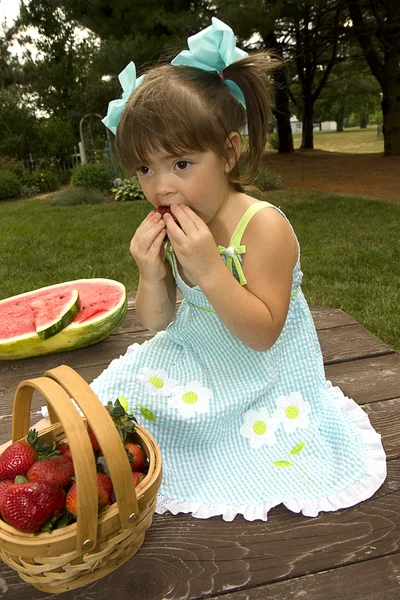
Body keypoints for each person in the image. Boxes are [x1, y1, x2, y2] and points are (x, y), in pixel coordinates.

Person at [42, 18, 389, 520]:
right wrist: (149, 271)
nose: (161, 187)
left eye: (181, 164)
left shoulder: (263, 227)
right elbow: (159, 323)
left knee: (229, 436)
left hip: (260, 372)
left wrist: (208, 268)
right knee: (121, 403)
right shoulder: (182, 223)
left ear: (228, 152)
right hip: (196, 356)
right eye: (144, 168)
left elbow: (264, 333)